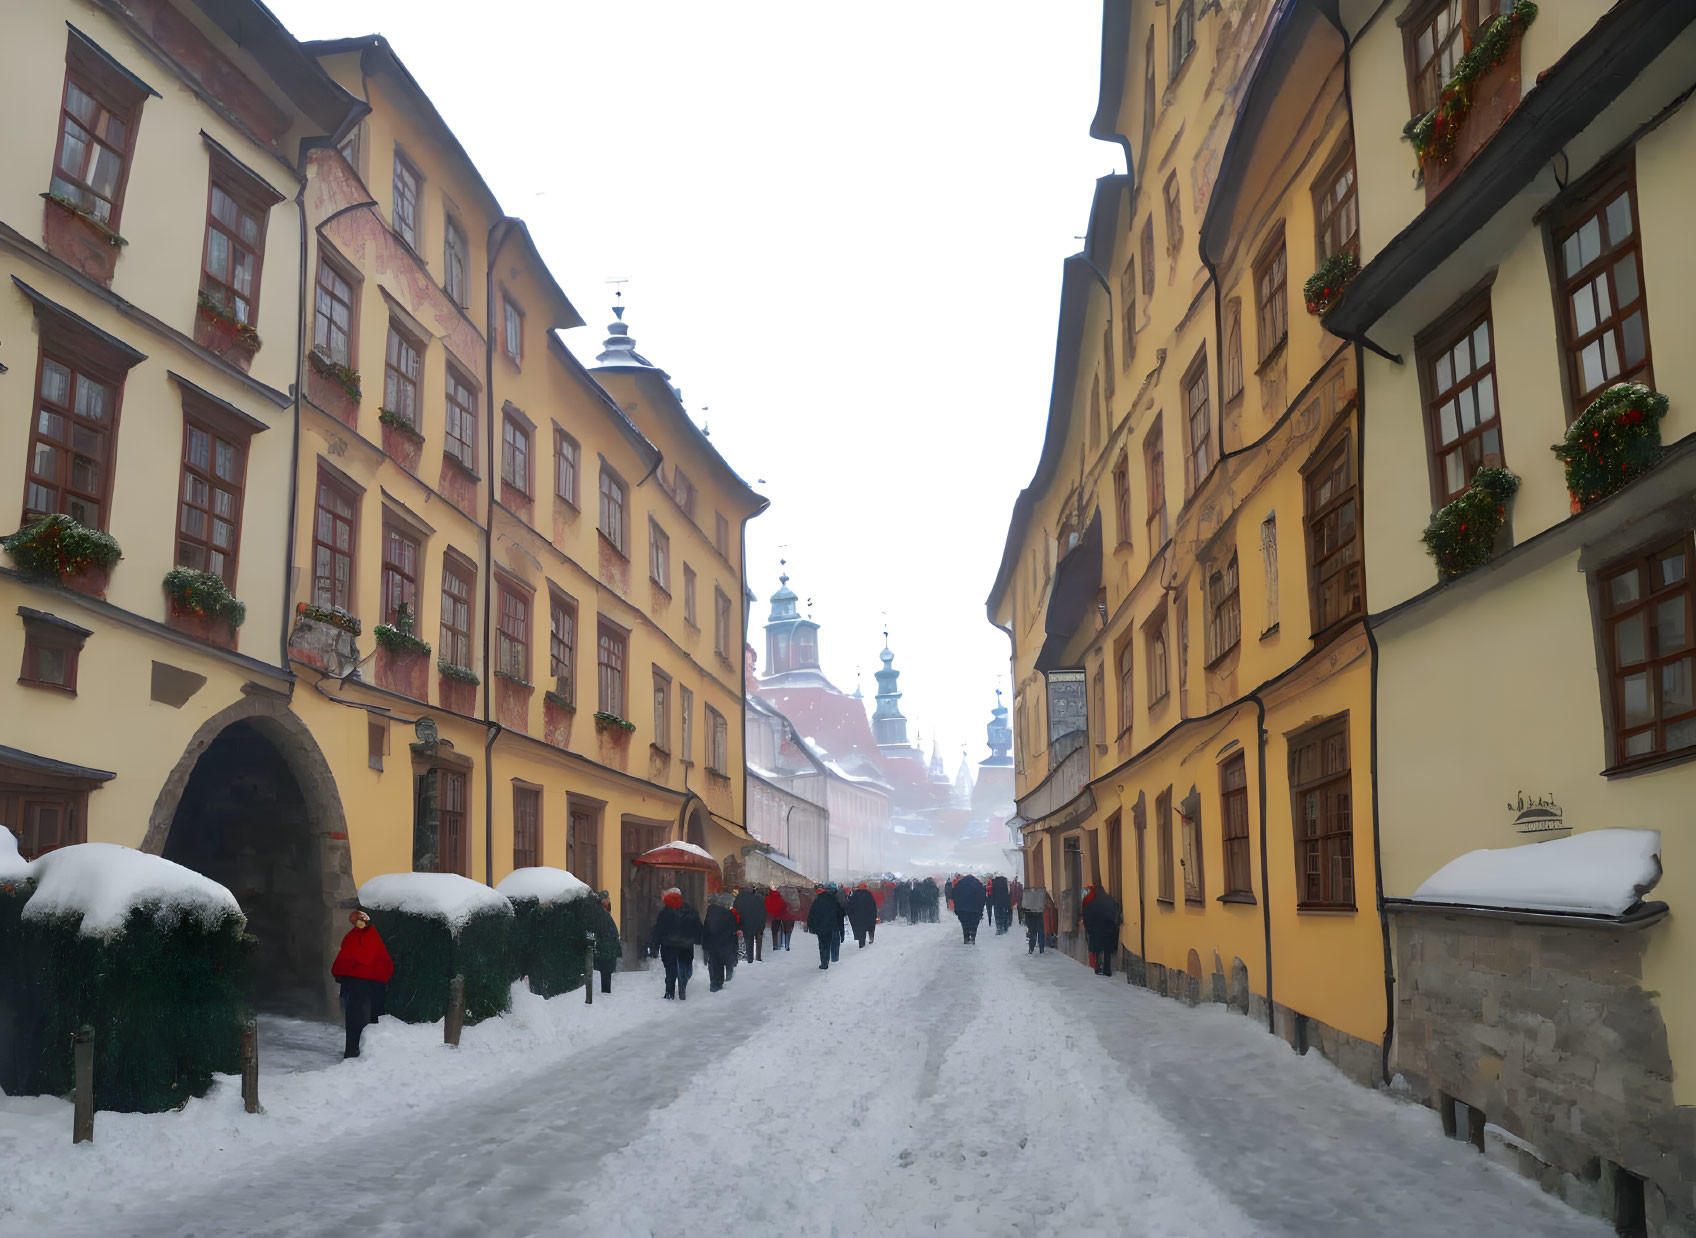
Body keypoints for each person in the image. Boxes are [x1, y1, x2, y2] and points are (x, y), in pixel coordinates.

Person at [331, 909, 394, 1059]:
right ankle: (356, 1051)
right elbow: (347, 956)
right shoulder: (354, 936)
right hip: (360, 982)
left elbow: (366, 957)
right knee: (360, 1018)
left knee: (363, 1018)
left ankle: (358, 1051)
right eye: (355, 921)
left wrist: (344, 970)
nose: (357, 923)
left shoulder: (369, 936)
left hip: (362, 982)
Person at [648, 887, 702, 1000]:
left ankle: (669, 993)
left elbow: (658, 930)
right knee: (685, 965)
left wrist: (654, 947)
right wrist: (699, 940)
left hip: (668, 945)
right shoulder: (690, 910)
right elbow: (697, 927)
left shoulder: (664, 912)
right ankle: (683, 982)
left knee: (670, 970)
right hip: (686, 945)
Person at [1080, 883, 1123, 977]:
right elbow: (1116, 913)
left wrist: (1089, 929)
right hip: (1108, 931)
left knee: (1097, 950)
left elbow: (1086, 914)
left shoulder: (1093, 904)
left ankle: (1097, 968)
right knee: (1107, 951)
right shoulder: (1111, 901)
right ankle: (1107, 970)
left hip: (1097, 931)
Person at [702, 893, 741, 992]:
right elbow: (733, 931)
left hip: (713, 943)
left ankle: (714, 984)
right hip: (725, 944)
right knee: (723, 962)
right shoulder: (730, 915)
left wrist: (705, 945)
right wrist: (734, 947)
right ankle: (720, 982)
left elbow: (706, 930)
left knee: (714, 963)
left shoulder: (711, 912)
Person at [590, 889, 621, 994]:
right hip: (605, 947)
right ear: (602, 900)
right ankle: (605, 993)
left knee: (606, 971)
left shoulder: (605, 910)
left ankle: (605, 991)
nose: (608, 900)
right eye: (606, 898)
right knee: (605, 971)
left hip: (606, 946)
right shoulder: (601, 913)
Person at [806, 883, 840, 969]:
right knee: (827, 943)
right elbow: (838, 913)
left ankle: (823, 962)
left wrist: (810, 925)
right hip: (829, 925)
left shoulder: (818, 899)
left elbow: (811, 913)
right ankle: (825, 961)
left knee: (821, 943)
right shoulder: (833, 899)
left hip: (819, 926)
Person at [734, 884, 767, 962]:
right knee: (759, 940)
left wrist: (738, 925)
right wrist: (762, 924)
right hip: (758, 923)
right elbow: (764, 912)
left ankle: (750, 959)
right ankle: (758, 957)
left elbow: (736, 913)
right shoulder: (760, 899)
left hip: (745, 925)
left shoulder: (739, 899)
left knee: (749, 941)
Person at [951, 873, 986, 944]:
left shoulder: (959, 884)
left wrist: (957, 908)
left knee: (965, 925)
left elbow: (954, 896)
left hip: (962, 909)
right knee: (974, 925)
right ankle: (973, 938)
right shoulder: (978, 884)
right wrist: (980, 909)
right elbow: (982, 898)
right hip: (975, 909)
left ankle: (966, 938)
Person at [1020, 885, 1050, 955]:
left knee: (1032, 932)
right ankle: (1041, 950)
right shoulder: (1041, 891)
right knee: (1040, 932)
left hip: (1030, 914)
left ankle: (1031, 949)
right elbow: (1045, 903)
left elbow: (1023, 905)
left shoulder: (1027, 892)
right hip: (1039, 913)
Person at [847, 883, 879, 948]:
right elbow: (873, 906)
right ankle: (871, 938)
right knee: (871, 927)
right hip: (868, 916)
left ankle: (861, 944)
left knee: (861, 930)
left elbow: (850, 906)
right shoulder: (868, 894)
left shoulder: (855, 895)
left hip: (858, 917)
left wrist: (852, 915)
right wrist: (874, 915)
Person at [765, 885, 792, 951]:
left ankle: (775, 945)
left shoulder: (770, 895)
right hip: (783, 913)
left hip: (774, 914)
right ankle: (786, 944)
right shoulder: (784, 893)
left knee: (775, 930)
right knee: (786, 929)